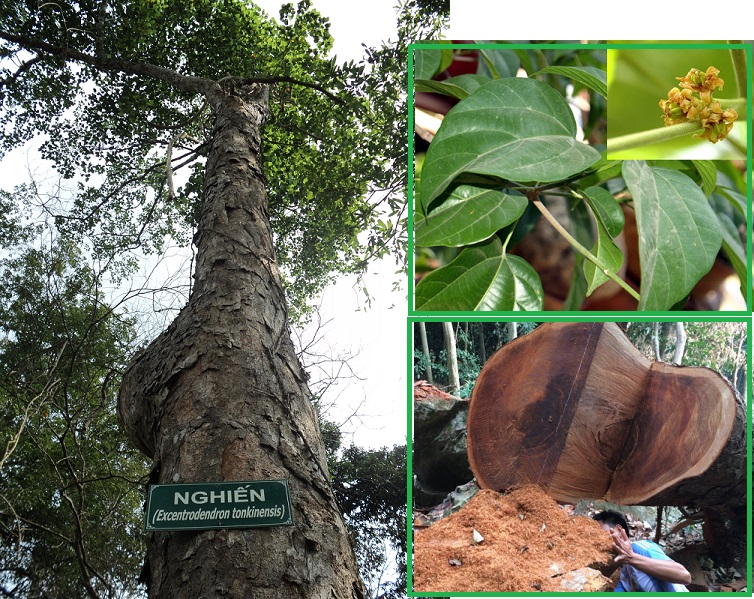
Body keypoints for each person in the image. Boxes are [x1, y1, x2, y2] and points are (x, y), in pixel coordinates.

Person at [593, 510, 691, 592]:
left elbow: (684, 576)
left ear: (618, 530)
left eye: (600, 533)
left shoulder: (640, 547)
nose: (597, 541)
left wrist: (631, 558)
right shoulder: (624, 573)